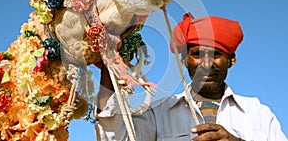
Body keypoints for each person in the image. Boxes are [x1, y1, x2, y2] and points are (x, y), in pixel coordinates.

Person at [94, 13, 287, 141]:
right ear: (184, 60)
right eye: (197, 54)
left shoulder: (258, 113)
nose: (206, 63)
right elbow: (115, 137)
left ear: (231, 60)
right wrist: (108, 69)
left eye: (216, 55)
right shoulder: (159, 113)